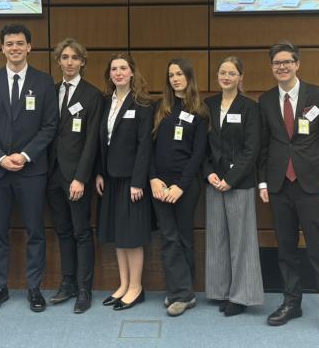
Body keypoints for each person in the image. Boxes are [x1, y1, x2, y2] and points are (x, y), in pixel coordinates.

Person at [258, 42, 319, 341]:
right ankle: (292, 302)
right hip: (279, 186)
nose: (282, 67)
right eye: (277, 63)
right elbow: (264, 145)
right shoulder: (266, 100)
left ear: (297, 64)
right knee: (286, 248)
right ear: (272, 67)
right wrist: (263, 182)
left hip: (312, 185)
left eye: (287, 62)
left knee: (318, 248)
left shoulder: (318, 95)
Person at [0, 24, 58, 313]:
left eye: (20, 43)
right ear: (2, 48)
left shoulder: (44, 82)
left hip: (31, 171)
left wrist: (24, 155)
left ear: (29, 47)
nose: (15, 48)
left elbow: (49, 126)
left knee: (35, 231)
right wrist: (0, 157)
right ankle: (0, 287)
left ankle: (34, 288)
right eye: (9, 43)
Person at [203, 56, 264, 317]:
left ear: (240, 77)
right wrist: (209, 174)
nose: (226, 77)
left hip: (239, 183)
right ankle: (220, 291)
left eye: (231, 73)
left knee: (241, 241)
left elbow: (252, 149)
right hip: (214, 182)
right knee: (216, 239)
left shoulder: (250, 107)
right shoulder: (208, 105)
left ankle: (241, 296)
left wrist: (231, 179)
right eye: (222, 72)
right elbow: (201, 146)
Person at [46, 38, 102, 314]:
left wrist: (81, 177)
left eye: (75, 58)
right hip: (51, 174)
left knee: (81, 232)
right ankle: (67, 283)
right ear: (58, 62)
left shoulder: (92, 95)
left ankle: (83, 289)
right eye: (65, 57)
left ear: (82, 62)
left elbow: (92, 141)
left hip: (77, 176)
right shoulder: (50, 90)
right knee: (63, 231)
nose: (69, 62)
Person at [149, 59, 209, 317]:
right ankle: (180, 291)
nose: (175, 79)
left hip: (185, 186)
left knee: (183, 237)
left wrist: (180, 186)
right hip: (159, 185)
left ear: (189, 77)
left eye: (180, 74)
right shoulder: (159, 107)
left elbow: (198, 154)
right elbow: (148, 147)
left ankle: (183, 293)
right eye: (171, 74)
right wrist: (153, 179)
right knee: (168, 237)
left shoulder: (200, 111)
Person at [96, 53, 153, 311]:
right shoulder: (105, 102)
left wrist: (138, 182)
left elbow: (145, 146)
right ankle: (124, 284)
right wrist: (99, 173)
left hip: (132, 181)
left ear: (132, 72)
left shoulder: (142, 104)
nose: (118, 73)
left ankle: (136, 287)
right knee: (118, 235)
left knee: (132, 236)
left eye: (123, 68)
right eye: (114, 69)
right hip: (110, 178)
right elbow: (101, 142)